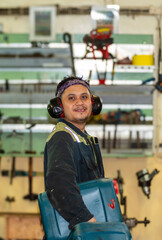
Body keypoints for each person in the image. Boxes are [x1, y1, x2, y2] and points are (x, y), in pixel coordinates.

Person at [44, 76, 104, 230]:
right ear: (59, 107)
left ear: (93, 103)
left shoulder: (83, 138)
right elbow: (60, 186)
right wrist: (86, 220)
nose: (79, 102)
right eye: (71, 98)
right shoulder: (62, 137)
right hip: (77, 228)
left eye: (84, 97)